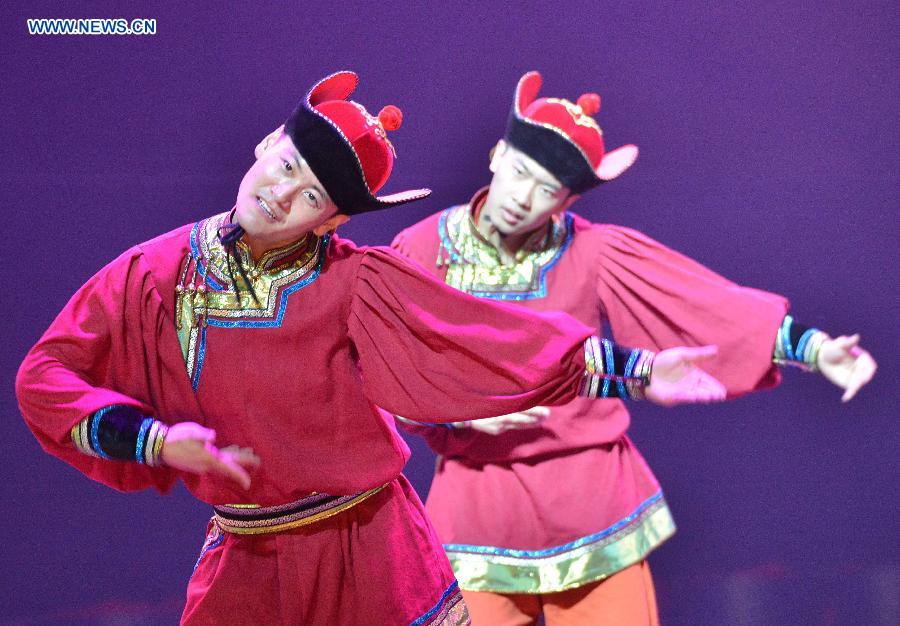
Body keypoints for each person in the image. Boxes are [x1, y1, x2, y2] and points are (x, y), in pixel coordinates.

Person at [16, 71, 728, 625]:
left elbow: (483, 340)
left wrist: (631, 368)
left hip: (368, 551)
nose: (283, 192)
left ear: (328, 222)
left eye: (313, 196)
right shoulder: (153, 272)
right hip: (247, 554)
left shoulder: (356, 283)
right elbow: (45, 375)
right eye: (288, 165)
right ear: (268, 143)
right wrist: (153, 440)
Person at [391, 71, 878, 625]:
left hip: (591, 501)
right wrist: (457, 413)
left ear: (567, 199)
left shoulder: (594, 251)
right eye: (521, 173)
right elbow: (385, 364)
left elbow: (706, 306)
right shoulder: (423, 249)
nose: (524, 198)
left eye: (547, 189)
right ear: (498, 154)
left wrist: (814, 349)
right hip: (475, 506)